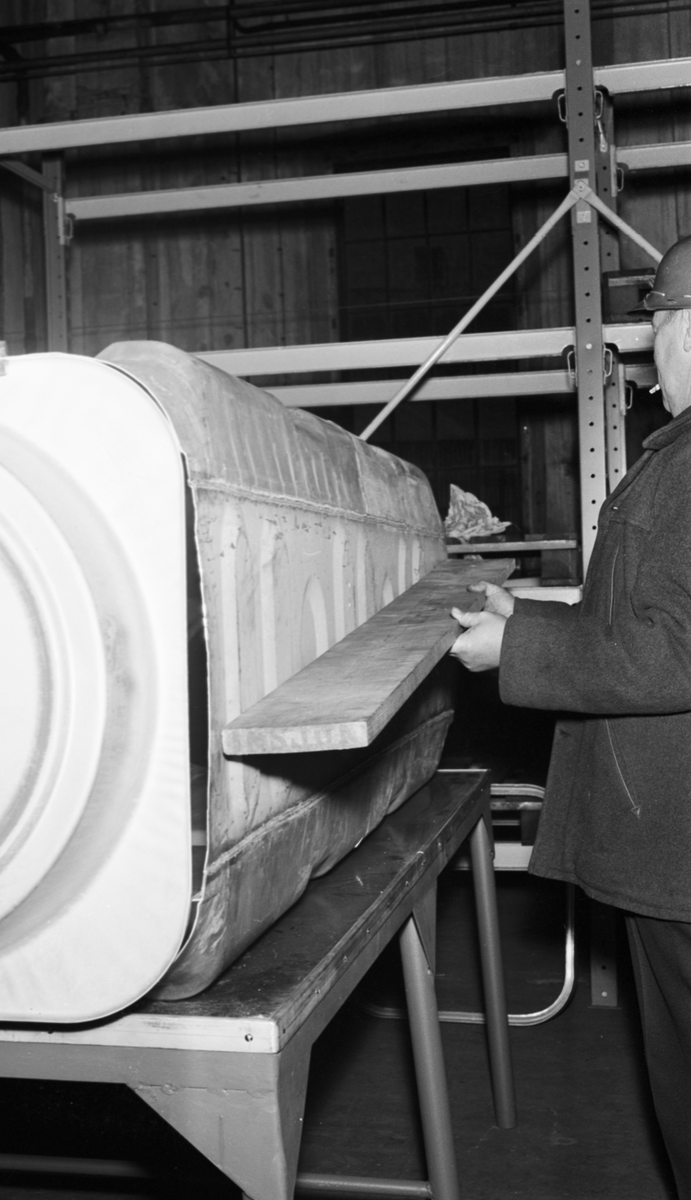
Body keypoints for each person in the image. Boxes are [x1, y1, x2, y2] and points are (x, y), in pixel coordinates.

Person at [450, 234, 691, 1199]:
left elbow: (674, 650)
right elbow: (639, 617)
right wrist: (527, 619)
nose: (646, 349)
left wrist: (512, 654)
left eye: (655, 326)